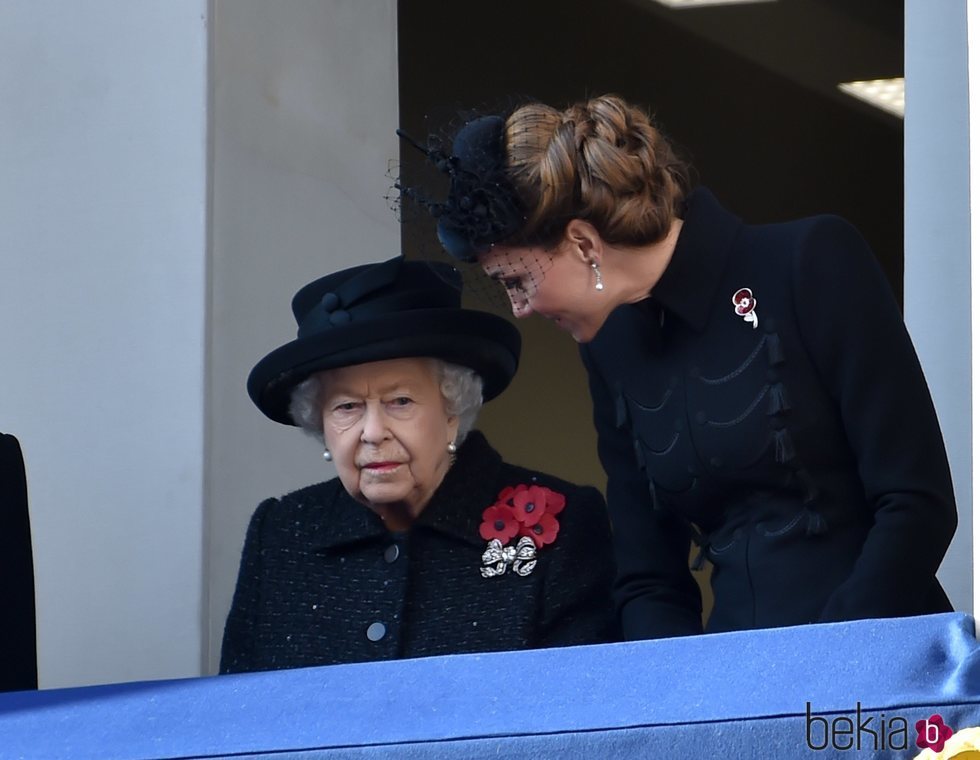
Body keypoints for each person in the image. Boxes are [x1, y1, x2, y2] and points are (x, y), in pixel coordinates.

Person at [398, 94, 958, 639]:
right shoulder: (609, 349)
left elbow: (917, 502)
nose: (519, 307)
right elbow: (649, 578)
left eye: (517, 281)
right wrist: (683, 708)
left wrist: (832, 659)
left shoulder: (809, 260)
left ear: (583, 243)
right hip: (733, 687)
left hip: (881, 662)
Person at [220, 256, 617, 673]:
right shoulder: (281, 533)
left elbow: (579, 715)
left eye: (400, 401)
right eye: (347, 406)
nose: (372, 432)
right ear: (320, 423)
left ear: (452, 410)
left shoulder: (563, 525)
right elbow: (235, 720)